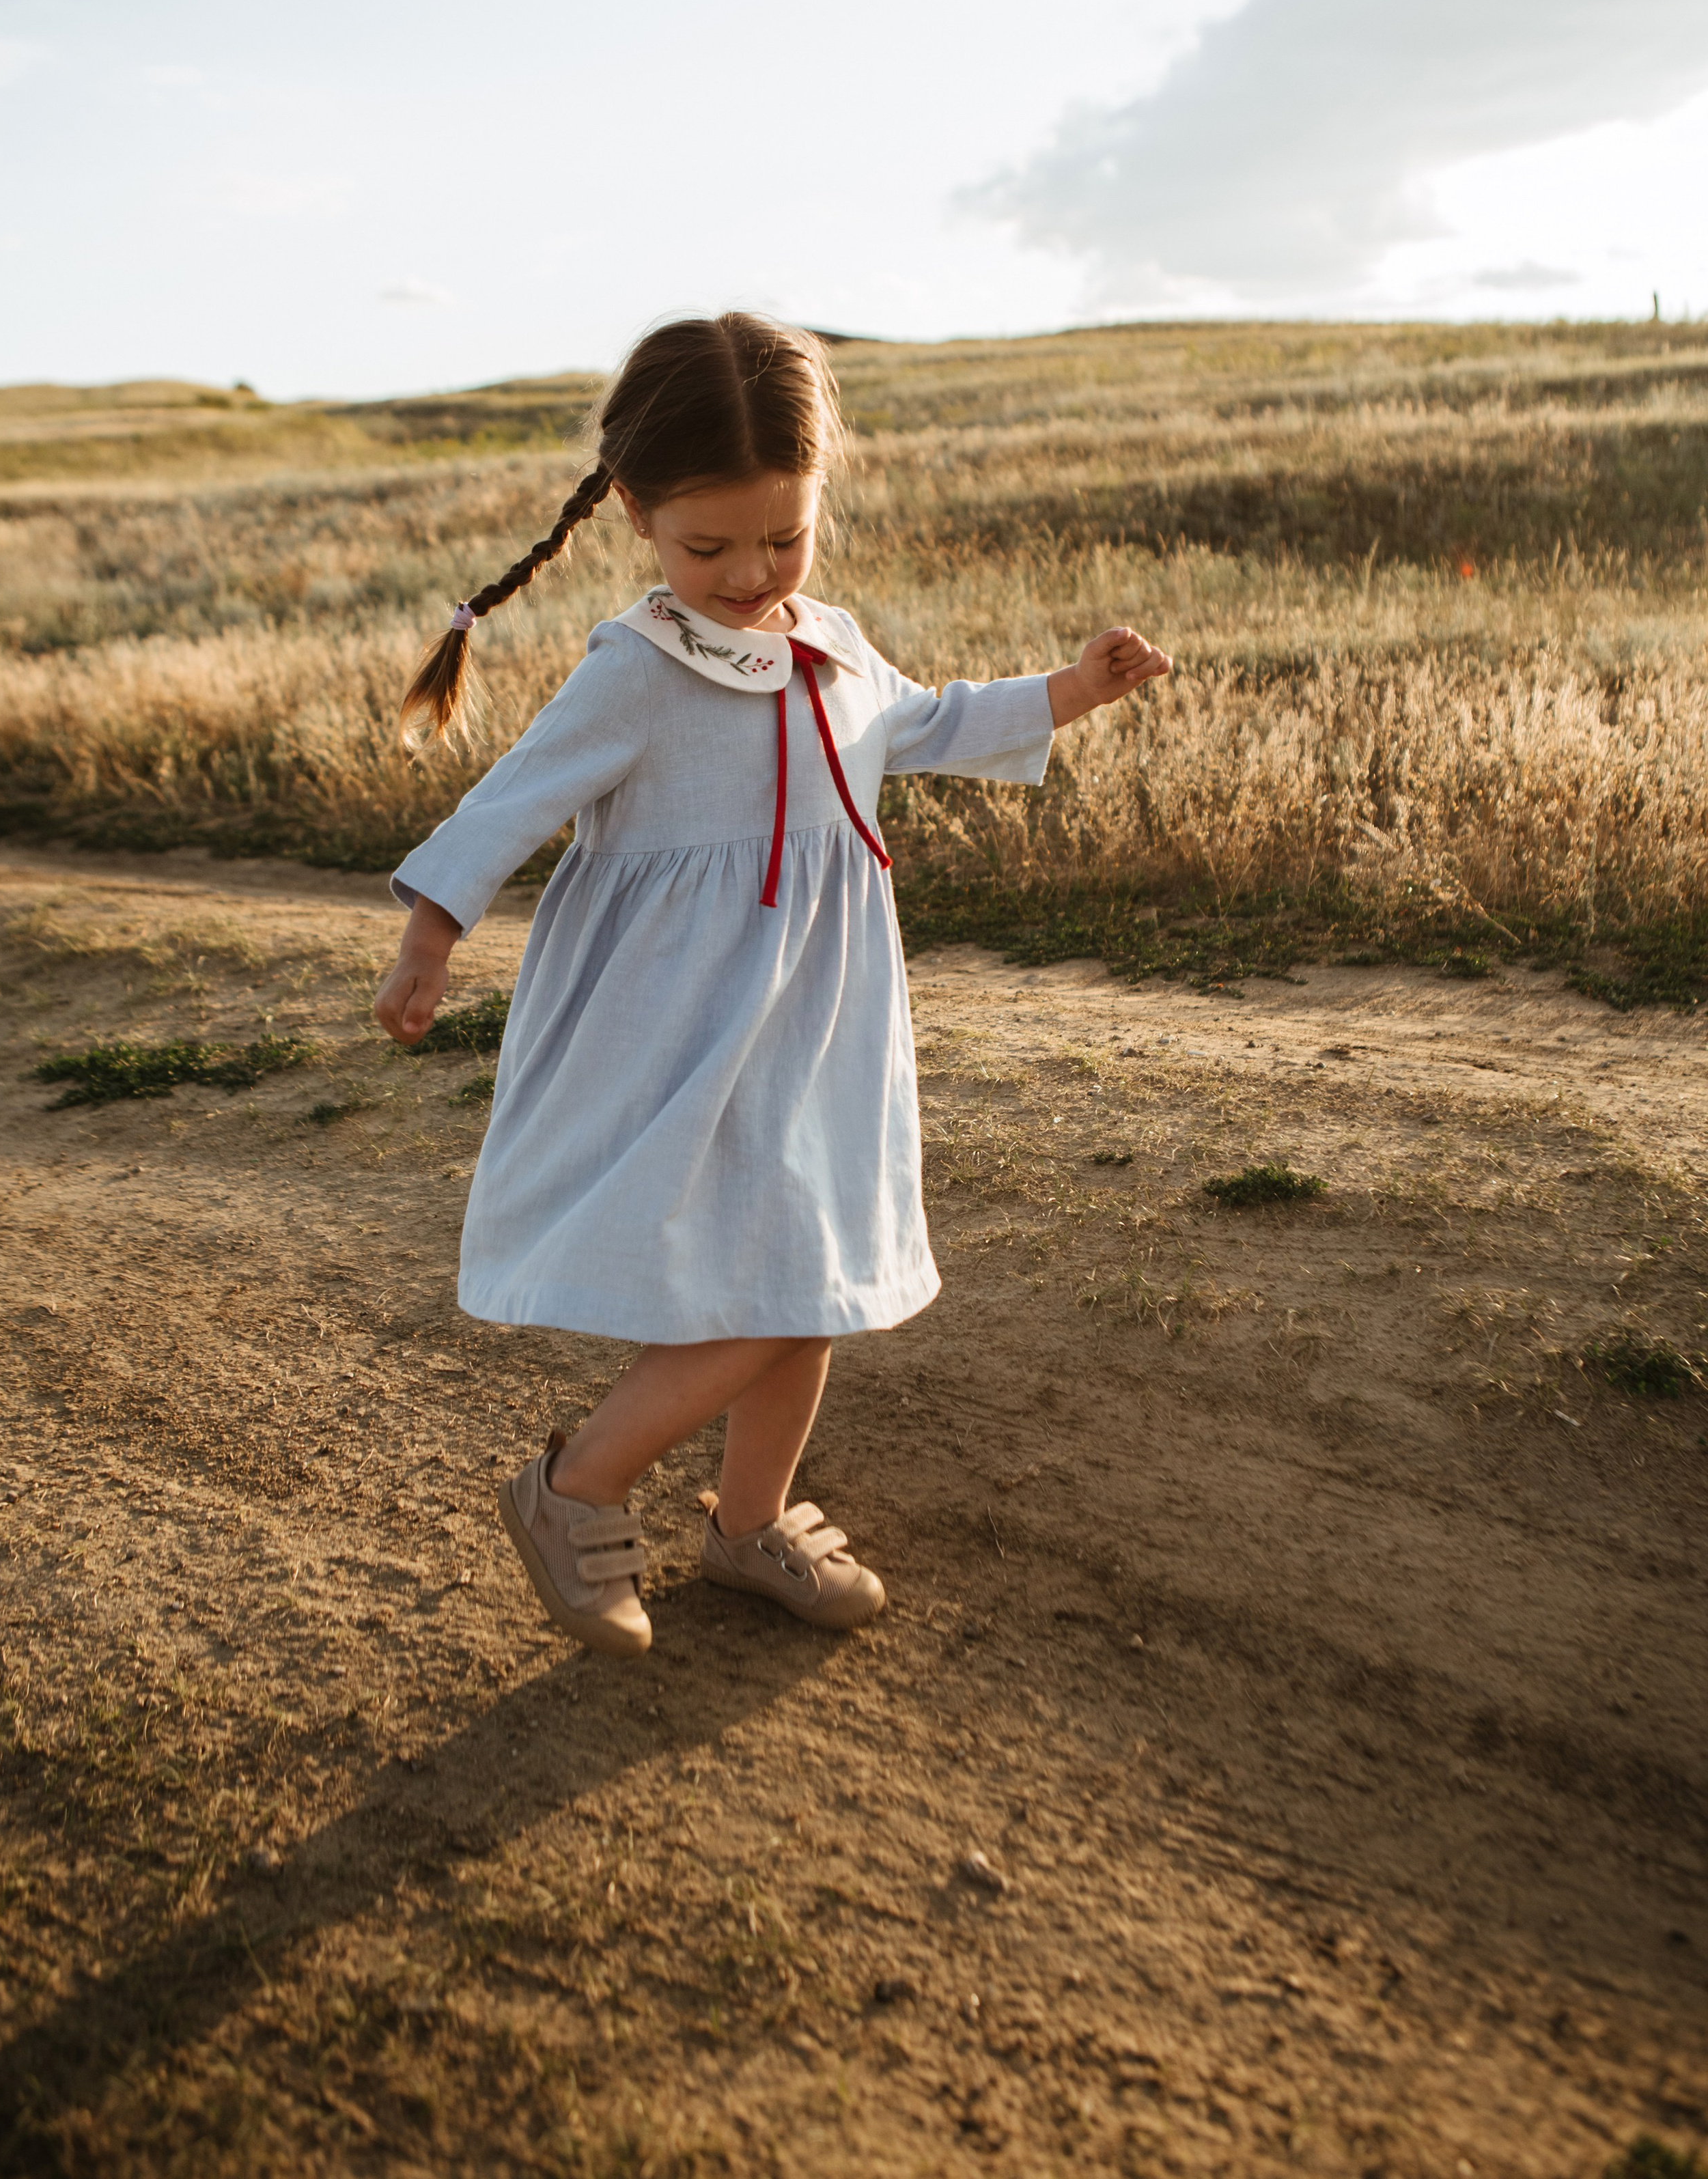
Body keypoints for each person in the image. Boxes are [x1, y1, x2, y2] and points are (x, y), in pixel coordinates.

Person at [374, 313, 1172, 1659]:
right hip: (686, 1023)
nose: (750, 574)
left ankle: (748, 1525)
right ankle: (571, 1490)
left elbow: (927, 722)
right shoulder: (635, 669)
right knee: (772, 1288)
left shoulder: (835, 645)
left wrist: (1068, 691)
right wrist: (431, 928)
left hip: (819, 1021)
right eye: (709, 547)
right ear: (634, 510)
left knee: (813, 1272)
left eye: (781, 538)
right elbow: (514, 801)